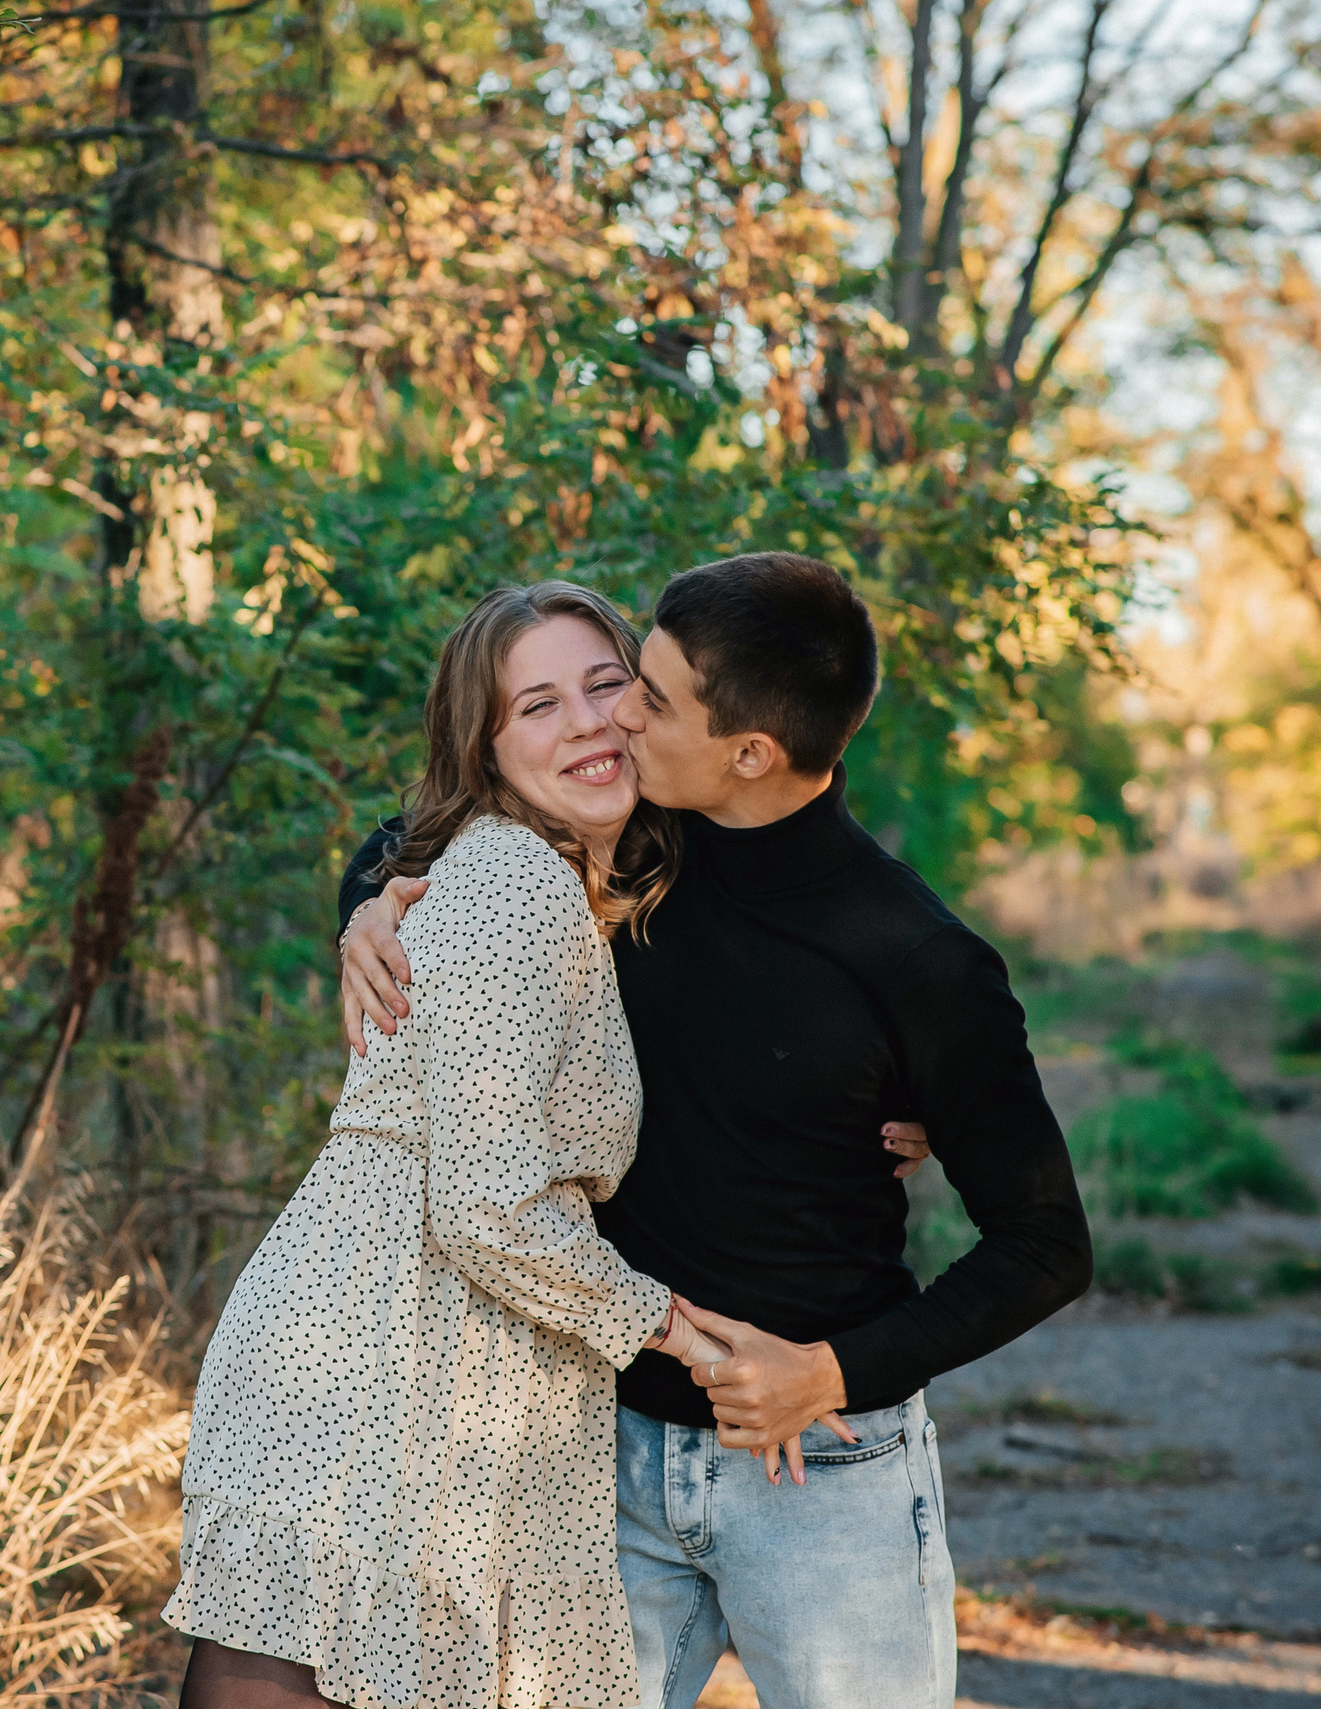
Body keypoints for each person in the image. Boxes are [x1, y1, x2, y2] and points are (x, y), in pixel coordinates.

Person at [338, 552, 1094, 1709]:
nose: (614, 716)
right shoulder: (627, 850)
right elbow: (415, 837)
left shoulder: (918, 960)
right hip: (593, 1447)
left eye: (646, 695)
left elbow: (1046, 1245)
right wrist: (368, 914)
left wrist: (832, 1371)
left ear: (749, 751)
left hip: (824, 1470)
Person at [163, 582, 744, 1709]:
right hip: (382, 1355)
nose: (582, 719)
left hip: (423, 1348)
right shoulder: (516, 880)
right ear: (484, 750)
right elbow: (488, 1208)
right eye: (536, 704)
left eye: (604, 683)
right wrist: (674, 1328)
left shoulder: (560, 876)